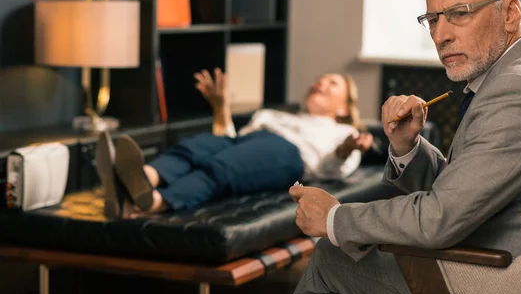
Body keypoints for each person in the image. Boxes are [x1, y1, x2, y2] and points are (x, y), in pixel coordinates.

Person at [286, 0, 521, 294]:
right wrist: (408, 147)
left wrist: (334, 218)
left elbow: (439, 219)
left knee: (331, 256)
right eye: (433, 19)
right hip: (504, 268)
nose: (441, 35)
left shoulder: (519, 93)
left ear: (510, 14)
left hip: (508, 289)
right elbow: (464, 192)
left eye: (458, 14)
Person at [95, 70, 373, 218]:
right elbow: (232, 140)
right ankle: (140, 179)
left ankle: (152, 202)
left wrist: (347, 148)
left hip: (288, 155)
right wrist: (221, 107)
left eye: (332, 83)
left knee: (220, 168)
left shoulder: (343, 133)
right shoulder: (274, 115)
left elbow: (333, 166)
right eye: (318, 80)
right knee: (194, 148)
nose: (320, 83)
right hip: (249, 141)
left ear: (345, 107)